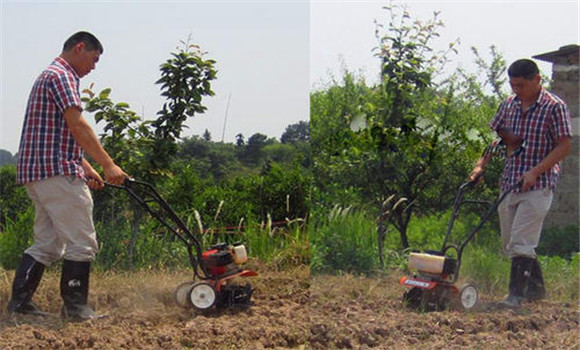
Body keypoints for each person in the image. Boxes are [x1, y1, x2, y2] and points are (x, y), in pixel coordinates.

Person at [7, 31, 128, 320]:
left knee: (47, 243)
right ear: (80, 48)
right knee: (82, 242)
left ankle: (19, 306)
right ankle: (75, 309)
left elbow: (56, 135)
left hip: (39, 174)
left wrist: (88, 169)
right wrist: (110, 165)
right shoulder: (63, 76)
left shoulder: (47, 75)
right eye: (94, 59)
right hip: (57, 173)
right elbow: (77, 125)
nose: (94, 67)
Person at [470, 58, 572, 308]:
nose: (516, 90)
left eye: (521, 85)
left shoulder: (554, 107)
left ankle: (515, 297)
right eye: (513, 85)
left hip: (539, 185)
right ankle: (536, 291)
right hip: (509, 183)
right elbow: (496, 140)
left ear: (537, 80)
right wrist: (480, 166)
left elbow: (564, 146)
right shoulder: (509, 105)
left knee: (521, 242)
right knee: (511, 244)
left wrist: (535, 171)